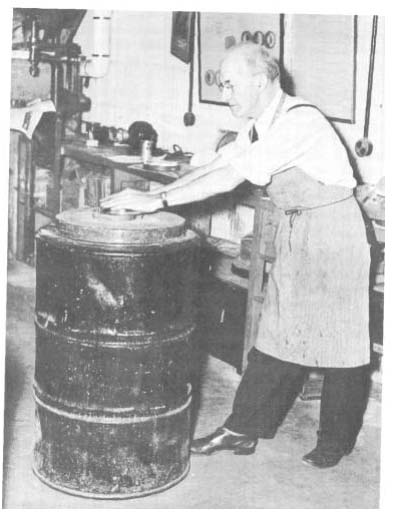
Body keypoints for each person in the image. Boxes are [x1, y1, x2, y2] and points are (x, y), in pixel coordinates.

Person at [101, 42, 371, 469]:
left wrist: (161, 202)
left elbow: (231, 177)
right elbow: (221, 162)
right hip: (297, 227)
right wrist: (153, 194)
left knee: (341, 344)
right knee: (276, 333)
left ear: (260, 81)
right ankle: (242, 429)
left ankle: (336, 440)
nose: (225, 93)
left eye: (230, 84)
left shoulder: (301, 121)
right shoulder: (263, 124)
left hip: (334, 232)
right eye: (222, 84)